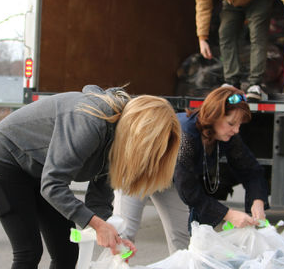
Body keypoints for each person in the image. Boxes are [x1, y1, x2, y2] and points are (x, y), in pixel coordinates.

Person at [0, 86, 181, 269]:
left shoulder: (119, 140)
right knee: (28, 251)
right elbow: (52, 186)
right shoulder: (91, 122)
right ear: (140, 134)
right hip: (7, 162)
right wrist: (96, 224)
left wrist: (114, 235)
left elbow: (98, 202)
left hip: (42, 172)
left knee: (66, 252)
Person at [116, 85, 270, 253]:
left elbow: (251, 169)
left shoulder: (227, 136)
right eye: (232, 123)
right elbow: (188, 190)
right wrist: (229, 214)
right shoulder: (187, 136)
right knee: (124, 234)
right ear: (214, 116)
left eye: (239, 124)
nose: (236, 130)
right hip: (139, 170)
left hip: (169, 178)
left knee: (181, 238)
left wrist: (257, 201)